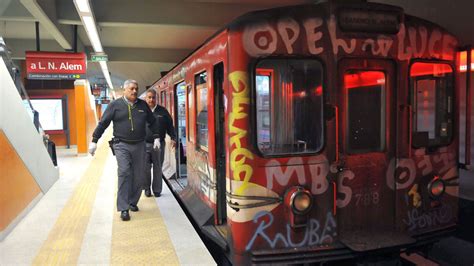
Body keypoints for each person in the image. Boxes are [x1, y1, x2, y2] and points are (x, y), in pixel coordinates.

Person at [88, 79, 161, 221]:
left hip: (140, 144)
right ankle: (123, 208)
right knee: (124, 173)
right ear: (124, 90)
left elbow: (152, 122)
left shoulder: (143, 105)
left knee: (139, 175)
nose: (134, 91)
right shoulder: (115, 106)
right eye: (132, 88)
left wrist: (157, 137)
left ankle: (133, 201)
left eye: (136, 88)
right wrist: (94, 141)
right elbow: (103, 124)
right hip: (121, 145)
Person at [143, 88, 176, 197]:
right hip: (144, 144)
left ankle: (157, 190)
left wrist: (173, 137)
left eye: (153, 97)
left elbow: (170, 126)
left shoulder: (163, 111)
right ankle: (146, 188)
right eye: (149, 97)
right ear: (145, 98)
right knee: (146, 168)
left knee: (157, 168)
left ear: (156, 98)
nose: (151, 100)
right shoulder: (141, 110)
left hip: (159, 144)